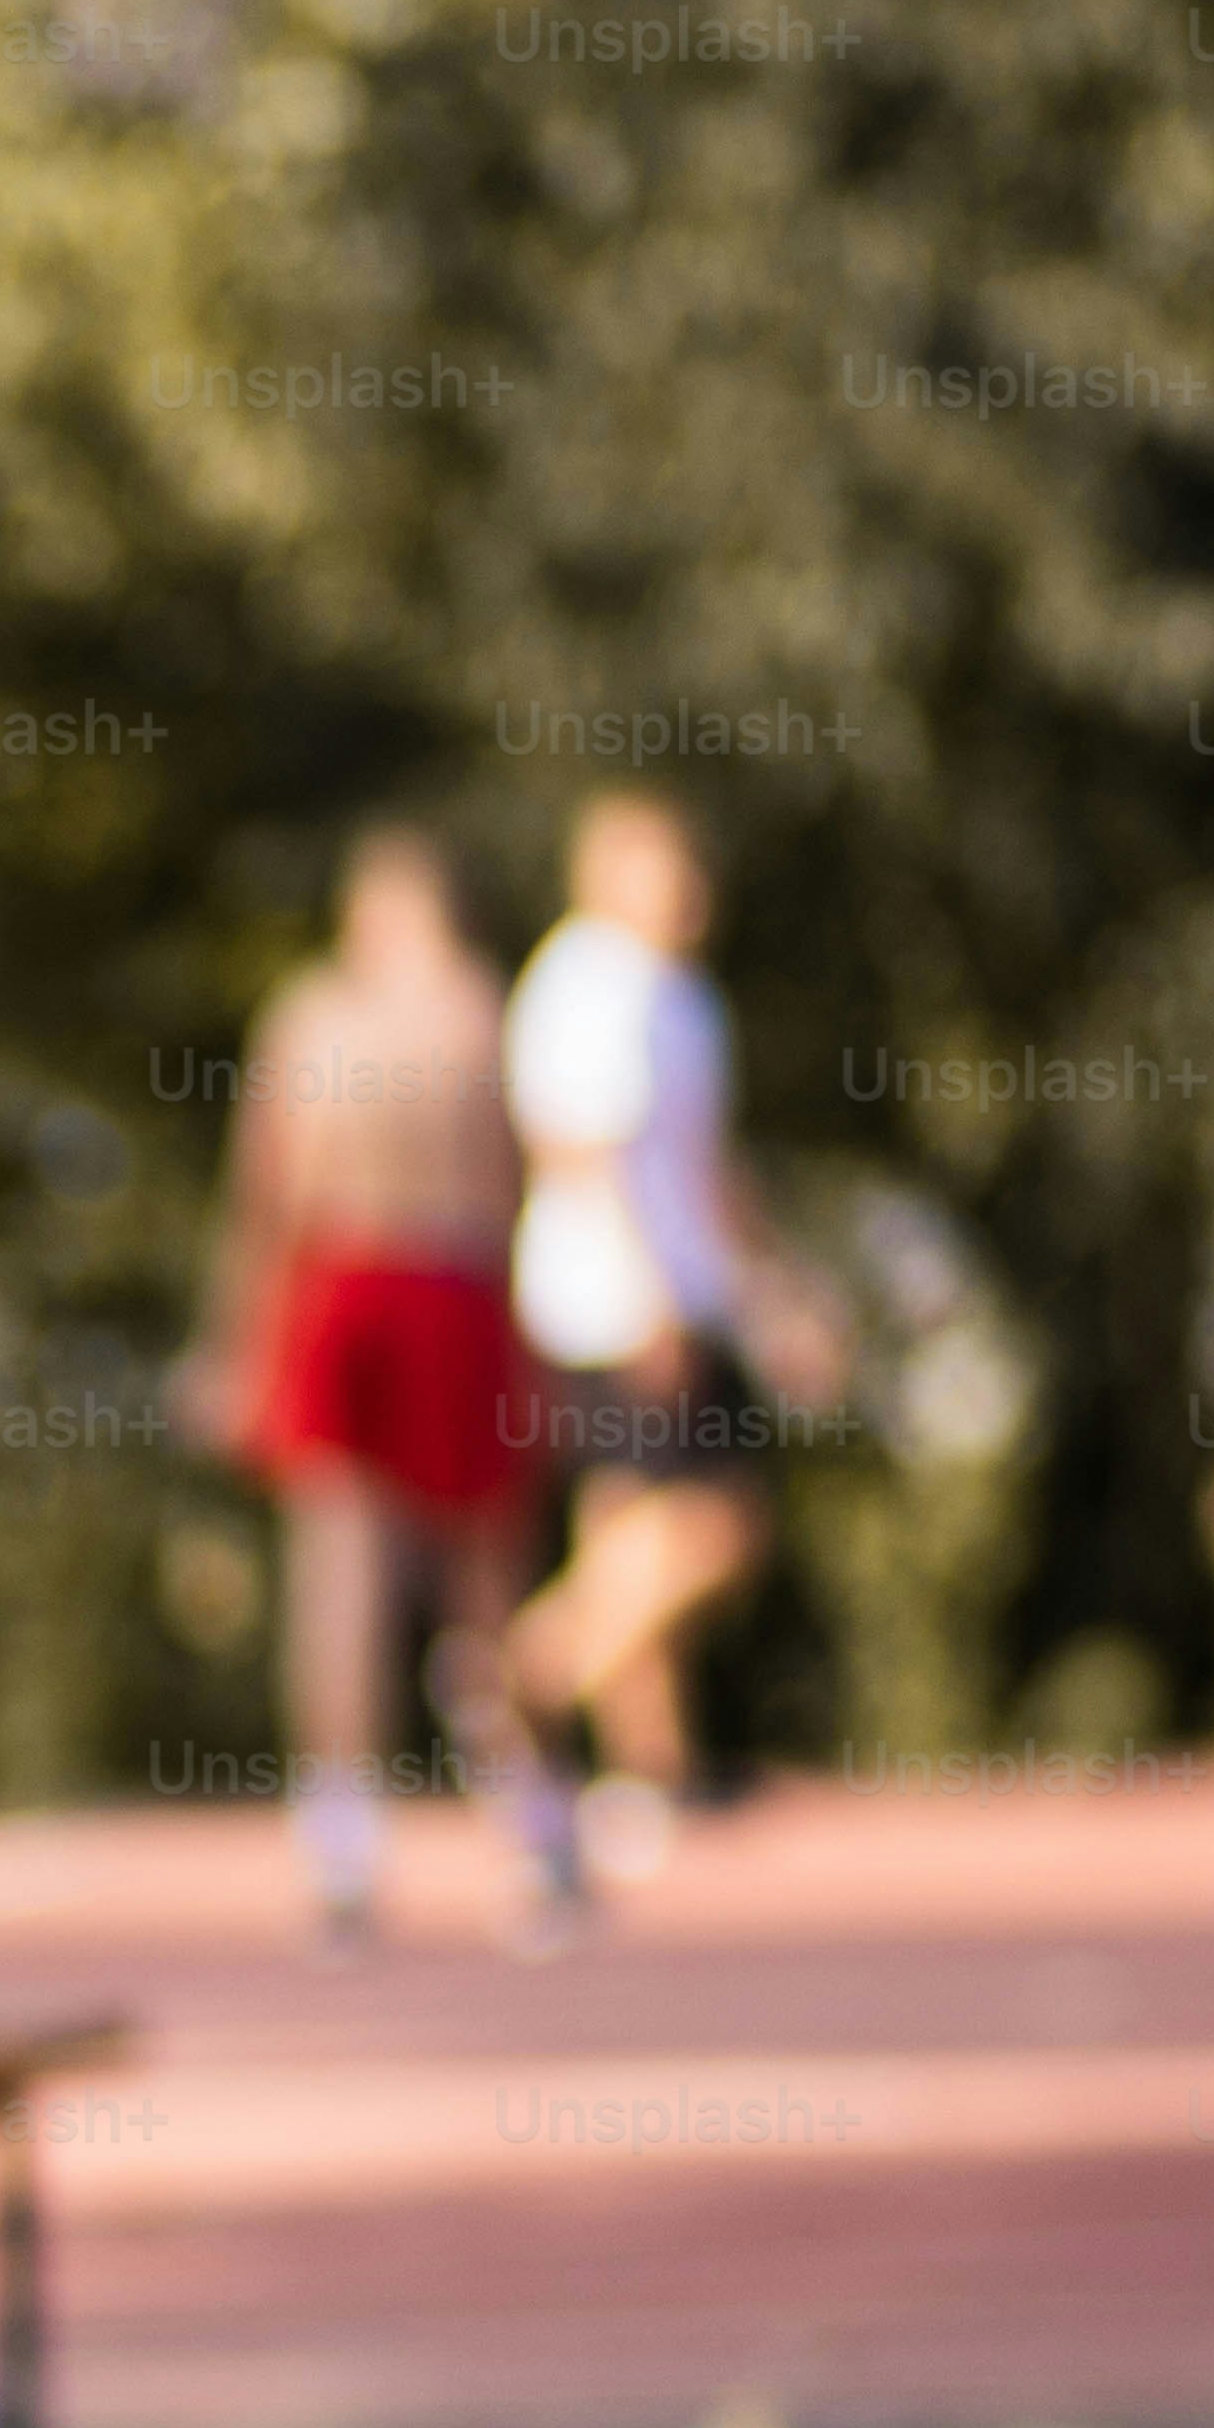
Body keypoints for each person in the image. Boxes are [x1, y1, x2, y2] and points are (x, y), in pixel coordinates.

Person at [180, 828, 582, 1954]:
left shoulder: (317, 1016)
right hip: (446, 1288)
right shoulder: (479, 1009)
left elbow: (267, 1200)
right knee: (479, 1576)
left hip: (351, 1287)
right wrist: (533, 1356)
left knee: (349, 1571)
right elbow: (514, 1192)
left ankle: (347, 1845)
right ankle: (530, 1831)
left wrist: (234, 1349)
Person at [498, 787, 840, 1869]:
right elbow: (577, 1149)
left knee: (628, 1531)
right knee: (718, 1526)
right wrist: (647, 1294)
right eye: (662, 864)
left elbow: (706, 1168)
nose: (689, 887)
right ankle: (528, 1673)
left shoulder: (682, 999)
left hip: (669, 1292)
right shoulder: (590, 981)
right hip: (609, 1302)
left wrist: (777, 1286)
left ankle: (652, 1773)